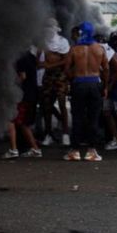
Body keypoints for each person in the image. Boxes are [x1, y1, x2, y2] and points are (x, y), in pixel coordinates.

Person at [65, 22, 108, 162]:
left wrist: (74, 79)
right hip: (95, 83)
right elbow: (106, 69)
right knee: (93, 118)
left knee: (77, 117)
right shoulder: (100, 49)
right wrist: (105, 86)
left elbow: (66, 69)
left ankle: (75, 151)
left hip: (79, 84)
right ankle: (91, 151)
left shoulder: (74, 49)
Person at [3, 49, 42, 159]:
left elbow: (22, 76)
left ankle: (14, 149)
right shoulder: (31, 56)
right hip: (31, 93)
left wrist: (11, 87)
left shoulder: (20, 57)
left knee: (12, 120)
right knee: (24, 123)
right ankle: (34, 149)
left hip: (23, 94)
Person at [40, 19, 71, 147]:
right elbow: (39, 60)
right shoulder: (43, 42)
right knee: (46, 105)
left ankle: (65, 133)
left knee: (62, 104)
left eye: (50, 27)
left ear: (56, 28)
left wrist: (50, 65)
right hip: (47, 77)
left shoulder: (63, 42)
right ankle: (48, 134)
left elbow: (66, 60)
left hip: (60, 76)